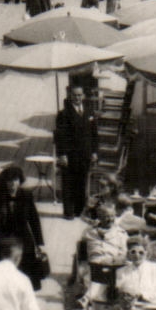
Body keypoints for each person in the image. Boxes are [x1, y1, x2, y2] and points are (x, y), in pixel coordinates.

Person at [0, 165, 45, 288]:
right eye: (9, 181)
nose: (12, 184)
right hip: (3, 236)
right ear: (4, 182)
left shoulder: (26, 195)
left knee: (24, 268)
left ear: (20, 181)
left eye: (15, 180)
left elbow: (34, 218)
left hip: (22, 237)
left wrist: (39, 242)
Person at [55, 84, 99, 218]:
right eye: (74, 95)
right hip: (69, 155)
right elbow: (59, 136)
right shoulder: (64, 114)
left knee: (81, 182)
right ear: (70, 96)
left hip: (85, 154)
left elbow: (94, 134)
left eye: (80, 95)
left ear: (83, 96)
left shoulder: (89, 112)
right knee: (68, 183)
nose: (77, 98)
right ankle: (68, 212)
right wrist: (62, 154)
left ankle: (79, 210)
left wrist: (94, 152)